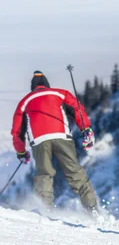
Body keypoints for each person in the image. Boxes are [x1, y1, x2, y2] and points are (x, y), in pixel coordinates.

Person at [11, 70, 99, 214]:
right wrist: (86, 130)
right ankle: (92, 208)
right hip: (61, 136)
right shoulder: (60, 94)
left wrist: (21, 151)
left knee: (44, 174)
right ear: (47, 84)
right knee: (74, 172)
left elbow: (17, 132)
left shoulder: (24, 102)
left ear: (33, 87)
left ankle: (45, 210)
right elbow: (78, 110)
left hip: (39, 141)